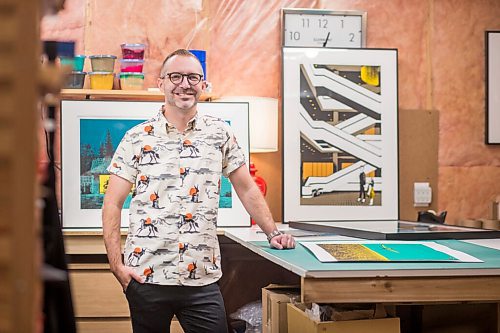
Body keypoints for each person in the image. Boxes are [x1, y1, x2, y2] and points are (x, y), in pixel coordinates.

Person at [102, 49, 295, 333]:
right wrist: (117, 266)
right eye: (176, 76)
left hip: (202, 280)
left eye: (193, 77)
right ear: (162, 83)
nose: (185, 83)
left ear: (203, 85)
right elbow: (112, 204)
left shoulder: (220, 134)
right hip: (146, 277)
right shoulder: (136, 138)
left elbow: (246, 188)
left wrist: (273, 232)